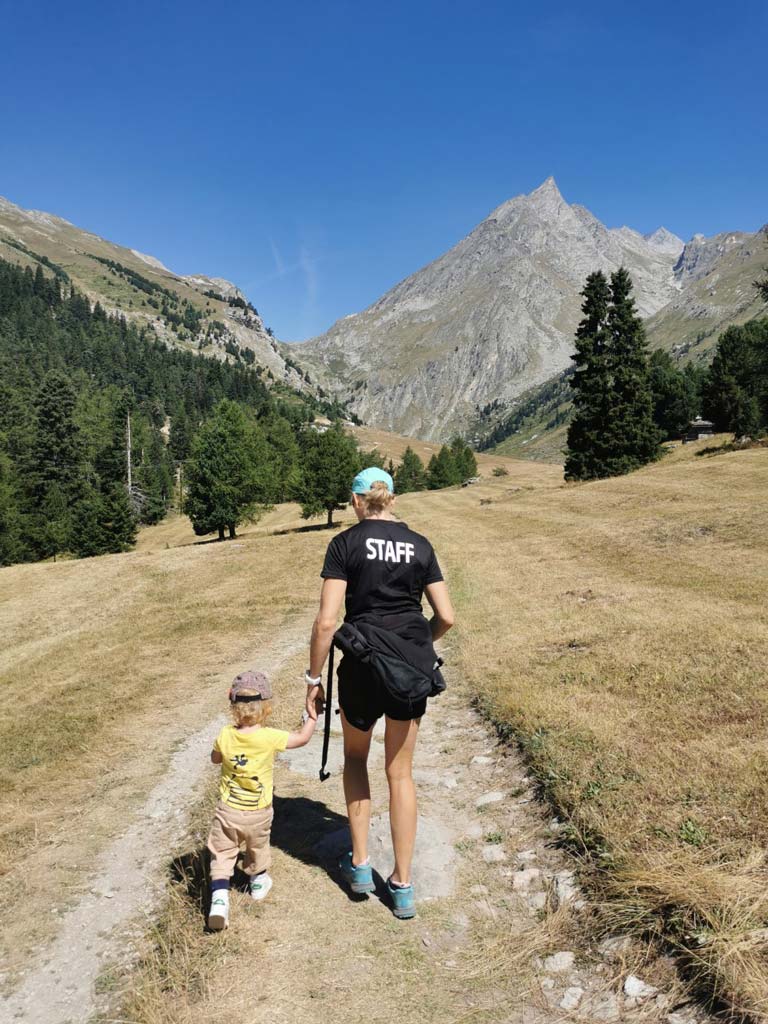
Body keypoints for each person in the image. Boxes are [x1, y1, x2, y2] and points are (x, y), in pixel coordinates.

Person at [305, 466, 454, 919]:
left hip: (362, 668)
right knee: (400, 773)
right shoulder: (421, 545)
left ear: (355, 501)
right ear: (392, 499)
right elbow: (446, 615)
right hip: (409, 672)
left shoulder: (345, 544)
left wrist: (313, 681)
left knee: (354, 758)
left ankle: (361, 865)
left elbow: (327, 622)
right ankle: (403, 886)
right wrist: (415, 646)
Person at [207, 669, 317, 931]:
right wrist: (312, 717)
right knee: (257, 846)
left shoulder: (225, 734)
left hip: (228, 810)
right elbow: (301, 738)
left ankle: (220, 898)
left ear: (231, 703)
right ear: (267, 706)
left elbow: (215, 759)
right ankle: (257, 883)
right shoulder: (270, 737)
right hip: (259, 811)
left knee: (222, 853)